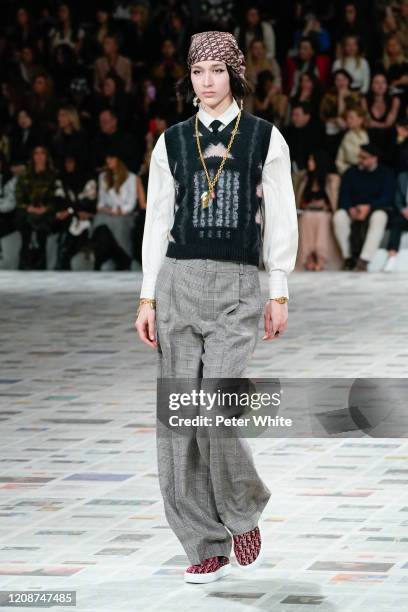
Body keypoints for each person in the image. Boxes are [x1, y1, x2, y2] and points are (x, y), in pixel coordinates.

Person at [135, 31, 298, 584]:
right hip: (178, 282)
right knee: (179, 420)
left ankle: (242, 507)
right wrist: (147, 296)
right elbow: (158, 221)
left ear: (236, 75)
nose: (207, 81)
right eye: (198, 71)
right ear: (190, 78)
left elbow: (281, 216)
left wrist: (278, 289)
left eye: (217, 70)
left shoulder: (263, 139)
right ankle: (202, 541)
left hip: (237, 286)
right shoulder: (171, 142)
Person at [333, 143, 395, 271]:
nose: (360, 160)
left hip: (374, 209)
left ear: (374, 158)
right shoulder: (351, 172)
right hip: (354, 210)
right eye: (360, 157)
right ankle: (348, 258)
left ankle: (364, 260)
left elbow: (387, 198)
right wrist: (350, 208)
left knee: (380, 217)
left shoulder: (386, 173)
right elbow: (343, 197)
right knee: (339, 216)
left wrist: (369, 207)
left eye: (364, 157)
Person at [92, 148, 145, 270]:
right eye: (107, 158)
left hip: (125, 215)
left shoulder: (131, 178)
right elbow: (100, 204)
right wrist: (110, 211)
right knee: (100, 221)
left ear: (119, 160)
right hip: (108, 214)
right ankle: (105, 259)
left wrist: (119, 211)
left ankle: (124, 257)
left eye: (112, 158)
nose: (108, 160)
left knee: (118, 223)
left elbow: (130, 204)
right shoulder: (103, 177)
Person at [14, 145, 58, 270]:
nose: (39, 156)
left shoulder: (53, 176)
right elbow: (19, 198)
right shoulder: (25, 175)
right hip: (27, 212)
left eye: (42, 153)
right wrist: (29, 208)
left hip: (46, 212)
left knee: (41, 222)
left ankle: (37, 262)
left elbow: (57, 198)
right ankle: (27, 261)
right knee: (27, 220)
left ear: (47, 156)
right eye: (36, 153)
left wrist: (46, 209)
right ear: (32, 156)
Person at [54, 155, 97, 270]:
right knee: (65, 221)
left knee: (71, 224)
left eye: (72, 162)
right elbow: (59, 199)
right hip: (69, 217)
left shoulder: (89, 180)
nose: (69, 165)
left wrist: (70, 210)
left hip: (86, 217)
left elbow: (88, 201)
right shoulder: (61, 179)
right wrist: (72, 211)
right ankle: (62, 262)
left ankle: (63, 262)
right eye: (67, 162)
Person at [382, 170, 408, 272]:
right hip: (405, 213)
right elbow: (397, 198)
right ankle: (392, 256)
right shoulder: (402, 177)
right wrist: (403, 210)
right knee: (396, 223)